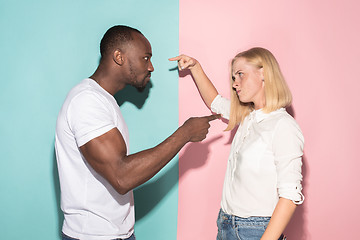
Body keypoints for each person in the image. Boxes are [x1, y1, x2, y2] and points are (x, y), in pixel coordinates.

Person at [55, 25, 220, 240]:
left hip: (115, 234)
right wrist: (185, 133)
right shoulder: (86, 101)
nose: (151, 67)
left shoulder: (102, 100)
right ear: (119, 57)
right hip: (93, 236)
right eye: (145, 58)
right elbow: (121, 176)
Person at [170, 47, 304, 240]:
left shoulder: (283, 126)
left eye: (241, 75)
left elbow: (290, 196)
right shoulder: (248, 117)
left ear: (264, 73)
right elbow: (215, 102)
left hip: (256, 231)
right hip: (226, 224)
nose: (235, 84)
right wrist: (195, 67)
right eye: (234, 78)